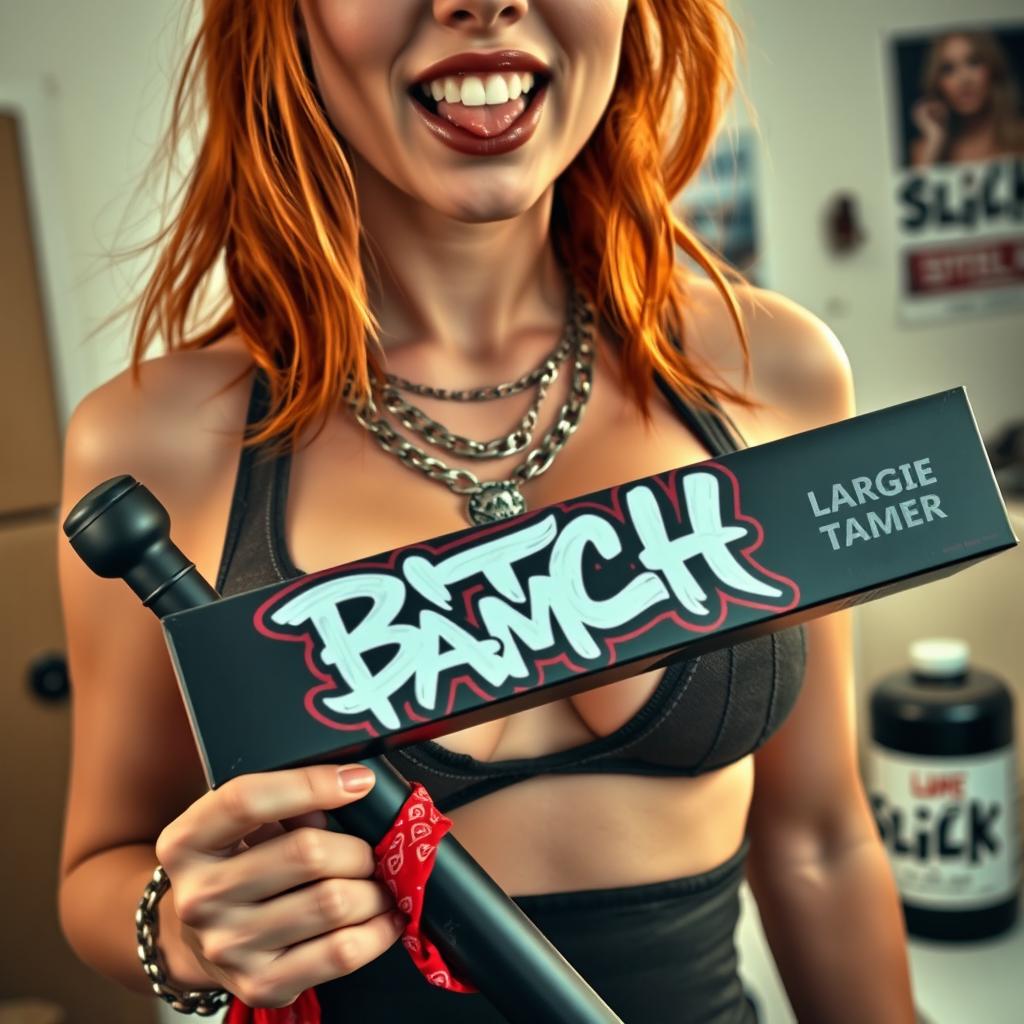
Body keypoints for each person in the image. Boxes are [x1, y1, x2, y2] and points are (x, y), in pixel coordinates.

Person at [56, 1, 917, 1021]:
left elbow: (819, 839)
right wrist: (181, 926)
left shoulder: (770, 372)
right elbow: (97, 869)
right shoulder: (152, 443)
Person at [909, 29, 1024, 167]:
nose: (964, 80)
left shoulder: (1020, 136)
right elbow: (918, 188)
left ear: (992, 69)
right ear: (937, 82)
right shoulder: (925, 149)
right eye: (948, 69)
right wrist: (935, 139)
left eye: (973, 62)